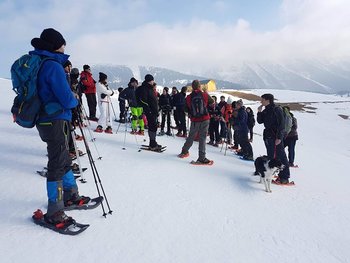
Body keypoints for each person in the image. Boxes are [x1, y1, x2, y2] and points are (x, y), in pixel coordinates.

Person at [31, 28, 91, 225]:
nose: (65, 46)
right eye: (63, 43)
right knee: (57, 162)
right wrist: (74, 99)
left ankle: (70, 195)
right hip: (54, 118)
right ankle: (55, 211)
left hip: (50, 119)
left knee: (63, 157)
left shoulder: (43, 62)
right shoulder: (53, 66)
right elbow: (66, 98)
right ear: (56, 45)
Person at [257, 93, 291, 184]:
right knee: (272, 156)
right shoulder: (266, 110)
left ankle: (284, 177)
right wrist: (259, 112)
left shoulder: (277, 110)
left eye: (262, 100)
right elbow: (260, 121)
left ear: (268, 100)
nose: (261, 101)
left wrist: (279, 137)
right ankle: (274, 173)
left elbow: (282, 125)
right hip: (268, 136)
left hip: (275, 137)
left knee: (281, 157)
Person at [178, 80, 213, 163]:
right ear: (199, 86)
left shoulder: (189, 97)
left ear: (192, 87)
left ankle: (184, 151)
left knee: (191, 136)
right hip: (205, 119)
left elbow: (185, 108)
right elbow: (212, 102)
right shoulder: (204, 95)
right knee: (202, 138)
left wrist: (191, 113)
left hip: (194, 120)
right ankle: (201, 157)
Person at [136, 74, 161, 149]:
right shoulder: (145, 88)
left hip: (153, 111)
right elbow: (144, 100)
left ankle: (153, 141)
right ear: (149, 81)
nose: (153, 81)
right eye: (152, 80)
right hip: (150, 111)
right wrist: (149, 110)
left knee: (153, 126)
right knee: (152, 126)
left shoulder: (149, 88)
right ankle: (152, 143)